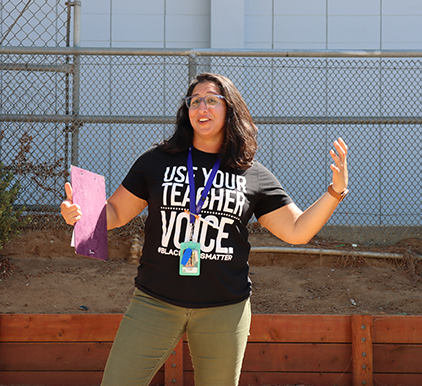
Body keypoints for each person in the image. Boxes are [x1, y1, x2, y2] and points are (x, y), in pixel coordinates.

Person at [60, 73, 348, 386]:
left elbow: (297, 231)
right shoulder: (156, 161)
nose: (201, 107)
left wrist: (334, 192)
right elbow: (115, 211)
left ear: (230, 109)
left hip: (224, 309)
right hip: (155, 301)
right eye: (194, 101)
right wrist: (82, 214)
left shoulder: (252, 174)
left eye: (211, 100)